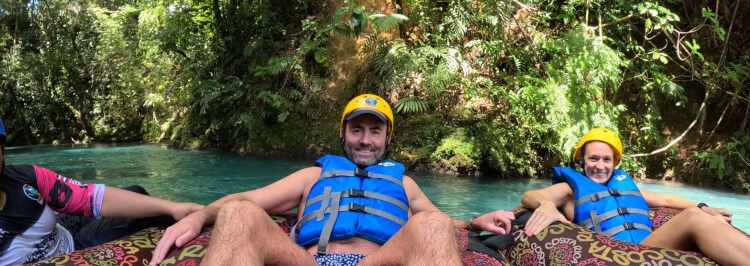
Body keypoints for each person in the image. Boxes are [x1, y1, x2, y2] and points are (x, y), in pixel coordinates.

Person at [152, 94, 515, 266]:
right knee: (236, 212)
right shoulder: (315, 175)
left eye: (375, 131)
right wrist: (199, 216)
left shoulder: (403, 184)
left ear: (388, 138)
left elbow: (440, 226)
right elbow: (251, 198)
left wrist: (472, 221)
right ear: (344, 134)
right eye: (357, 129)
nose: (365, 140)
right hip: (311, 263)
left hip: (377, 262)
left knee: (433, 222)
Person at [521, 128, 750, 266]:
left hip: (649, 241)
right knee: (698, 221)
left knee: (699, 216)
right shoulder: (572, 186)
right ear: (581, 159)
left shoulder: (626, 184)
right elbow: (531, 195)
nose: (599, 165)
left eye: (606, 159)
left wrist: (703, 206)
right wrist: (548, 203)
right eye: (593, 158)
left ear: (615, 162)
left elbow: (667, 202)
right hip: (622, 252)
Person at [0, 117, 204, 265]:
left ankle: (193, 226)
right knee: (113, 232)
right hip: (70, 254)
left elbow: (92, 197)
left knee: (136, 191)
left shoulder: (25, 176)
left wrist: (176, 208)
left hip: (63, 229)